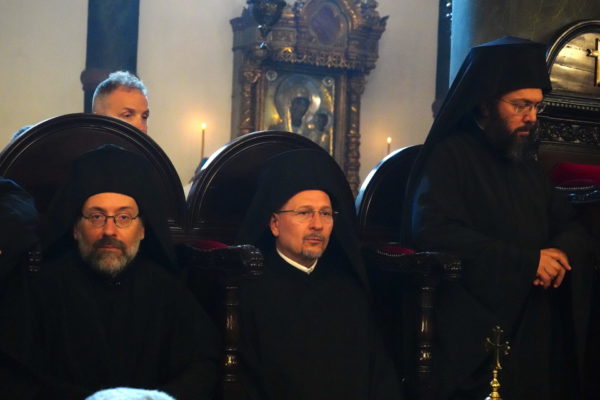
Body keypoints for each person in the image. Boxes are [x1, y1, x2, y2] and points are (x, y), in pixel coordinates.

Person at [404, 37, 595, 400]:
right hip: (475, 320)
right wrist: (527, 263)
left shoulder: (524, 162)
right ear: (485, 104)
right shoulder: (450, 156)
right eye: (520, 105)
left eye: (536, 106)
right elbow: (433, 232)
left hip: (535, 313)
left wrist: (558, 254)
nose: (531, 117)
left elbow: (569, 224)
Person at [0, 145, 220, 399]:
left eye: (124, 217)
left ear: (142, 229)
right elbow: (14, 377)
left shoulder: (166, 288)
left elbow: (203, 365)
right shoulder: (39, 287)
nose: (109, 231)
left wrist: (158, 398)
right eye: (96, 216)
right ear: (75, 228)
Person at [236, 149, 402, 400]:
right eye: (304, 213)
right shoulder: (247, 293)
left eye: (325, 213)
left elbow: (380, 375)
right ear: (274, 224)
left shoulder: (349, 290)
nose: (317, 224)